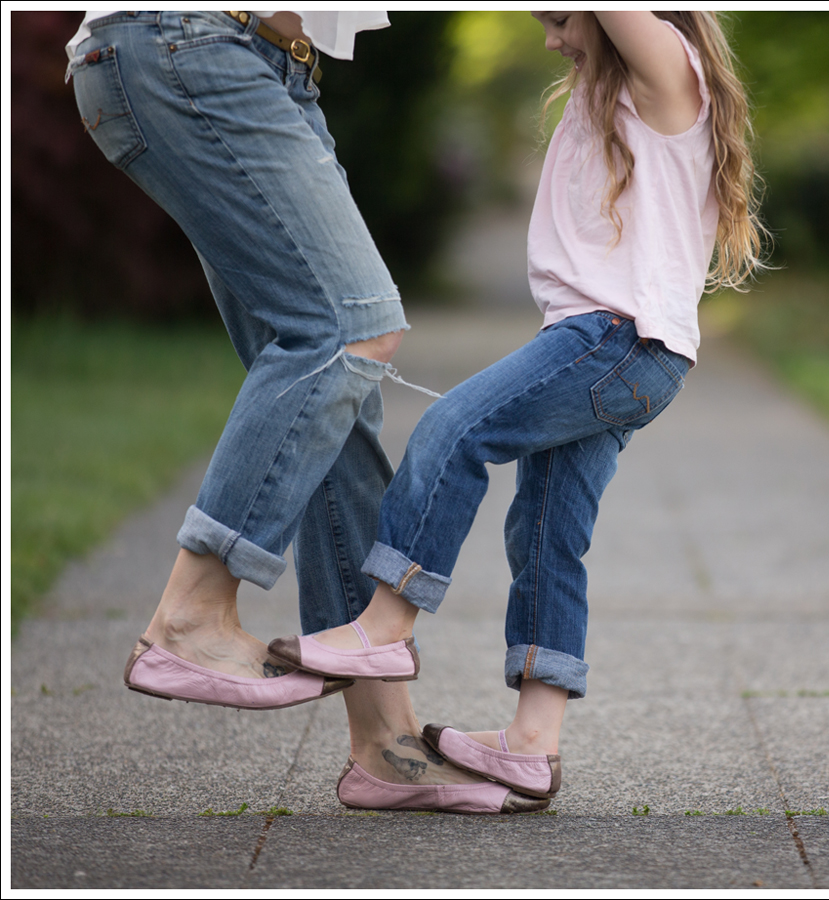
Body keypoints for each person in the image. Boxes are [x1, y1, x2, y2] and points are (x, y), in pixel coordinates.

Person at [268, 11, 768, 808]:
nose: (551, 38)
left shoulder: (667, 70)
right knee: (545, 530)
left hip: (614, 338)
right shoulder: (616, 92)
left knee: (454, 429)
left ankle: (386, 624)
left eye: (561, 17)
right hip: (622, 349)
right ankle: (534, 743)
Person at [67, 11, 544, 814]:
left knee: (337, 394)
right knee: (349, 330)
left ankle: (388, 747)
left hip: (252, 63)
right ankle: (191, 615)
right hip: (195, 47)